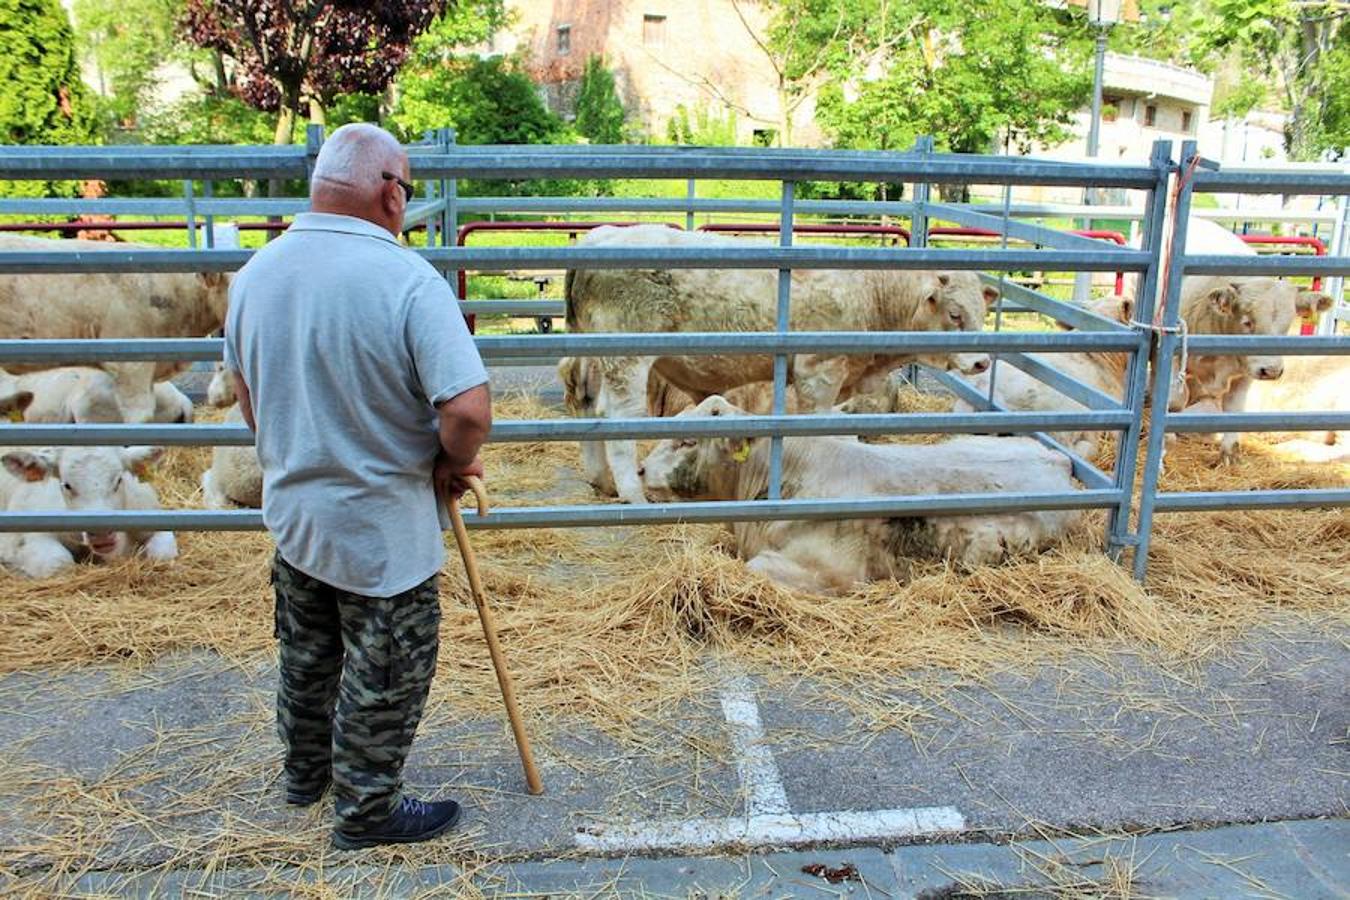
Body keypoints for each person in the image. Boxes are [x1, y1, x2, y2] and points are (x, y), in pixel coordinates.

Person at [223, 122, 491, 850]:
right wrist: (446, 460)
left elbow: (245, 391)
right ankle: (367, 809)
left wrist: (287, 448)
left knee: (307, 653)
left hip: (297, 513)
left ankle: (306, 775)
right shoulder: (406, 280)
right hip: (381, 525)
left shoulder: (255, 275)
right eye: (406, 185)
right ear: (387, 193)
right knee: (387, 666)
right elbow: (467, 408)